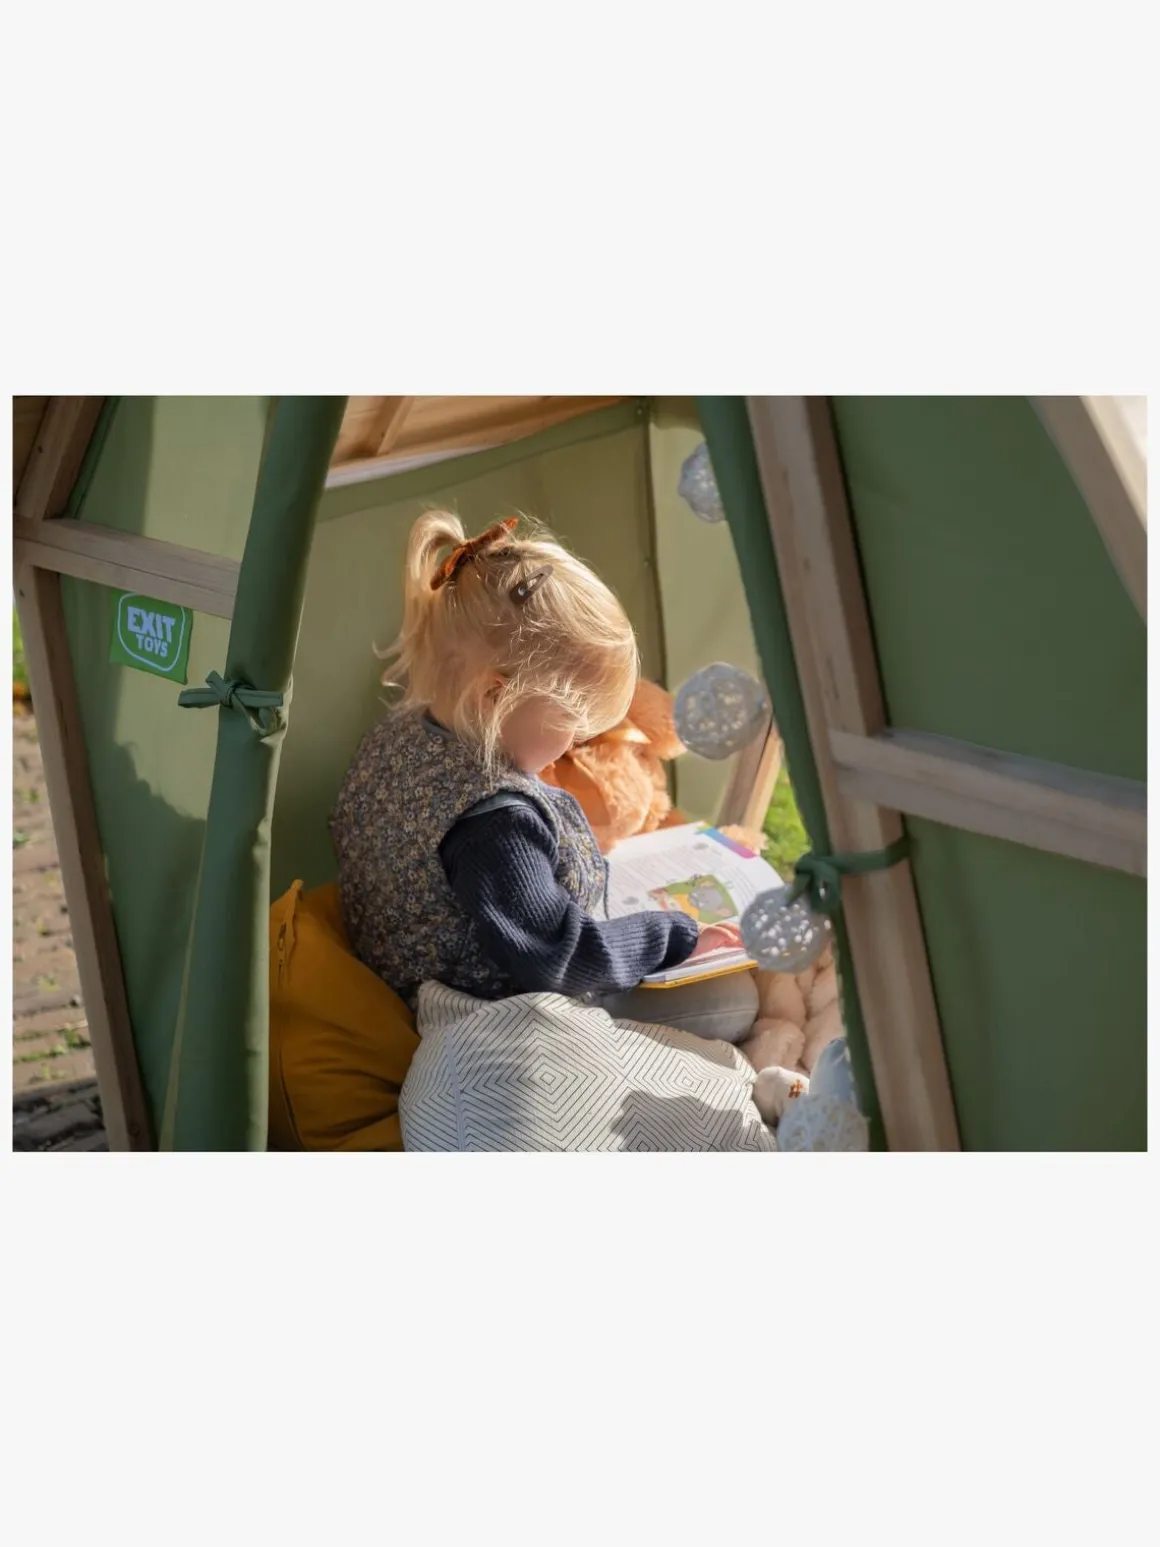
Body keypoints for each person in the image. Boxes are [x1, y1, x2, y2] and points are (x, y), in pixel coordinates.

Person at [331, 511, 758, 1041]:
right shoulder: (493, 824)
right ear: (496, 694)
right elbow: (559, 959)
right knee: (732, 1000)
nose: (577, 740)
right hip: (489, 1015)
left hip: (406, 960)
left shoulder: (399, 734)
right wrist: (676, 936)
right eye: (572, 722)